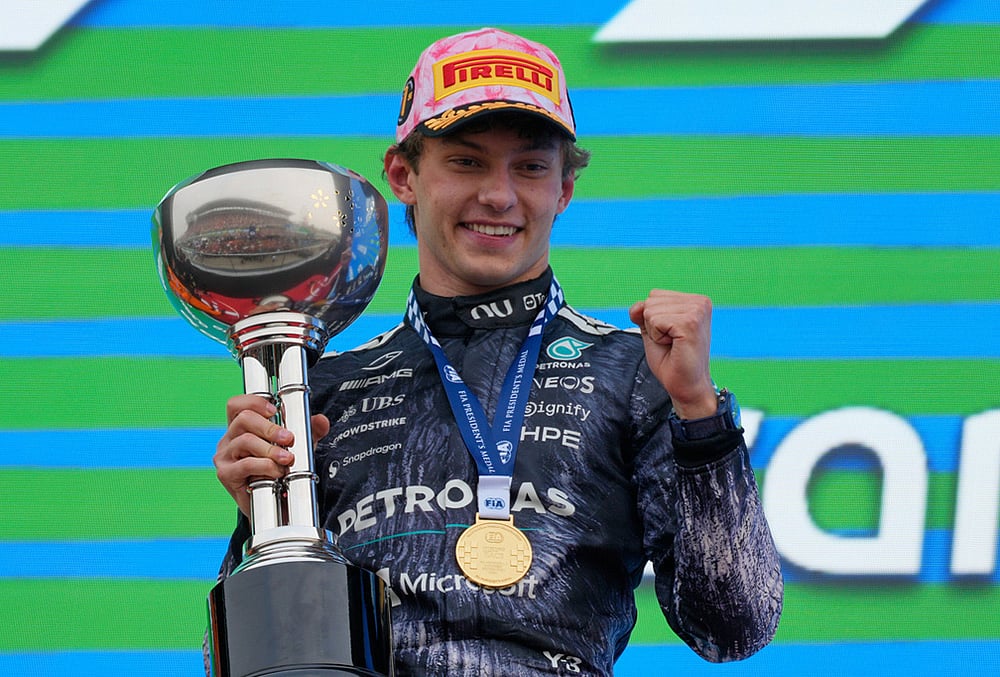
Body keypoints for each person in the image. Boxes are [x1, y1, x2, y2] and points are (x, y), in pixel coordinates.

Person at [213, 27, 783, 676]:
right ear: (402, 174)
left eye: (531, 167)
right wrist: (263, 523)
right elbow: (251, 665)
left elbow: (734, 627)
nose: (499, 195)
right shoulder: (325, 391)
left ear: (565, 188)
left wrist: (700, 415)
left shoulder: (636, 374)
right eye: (467, 161)